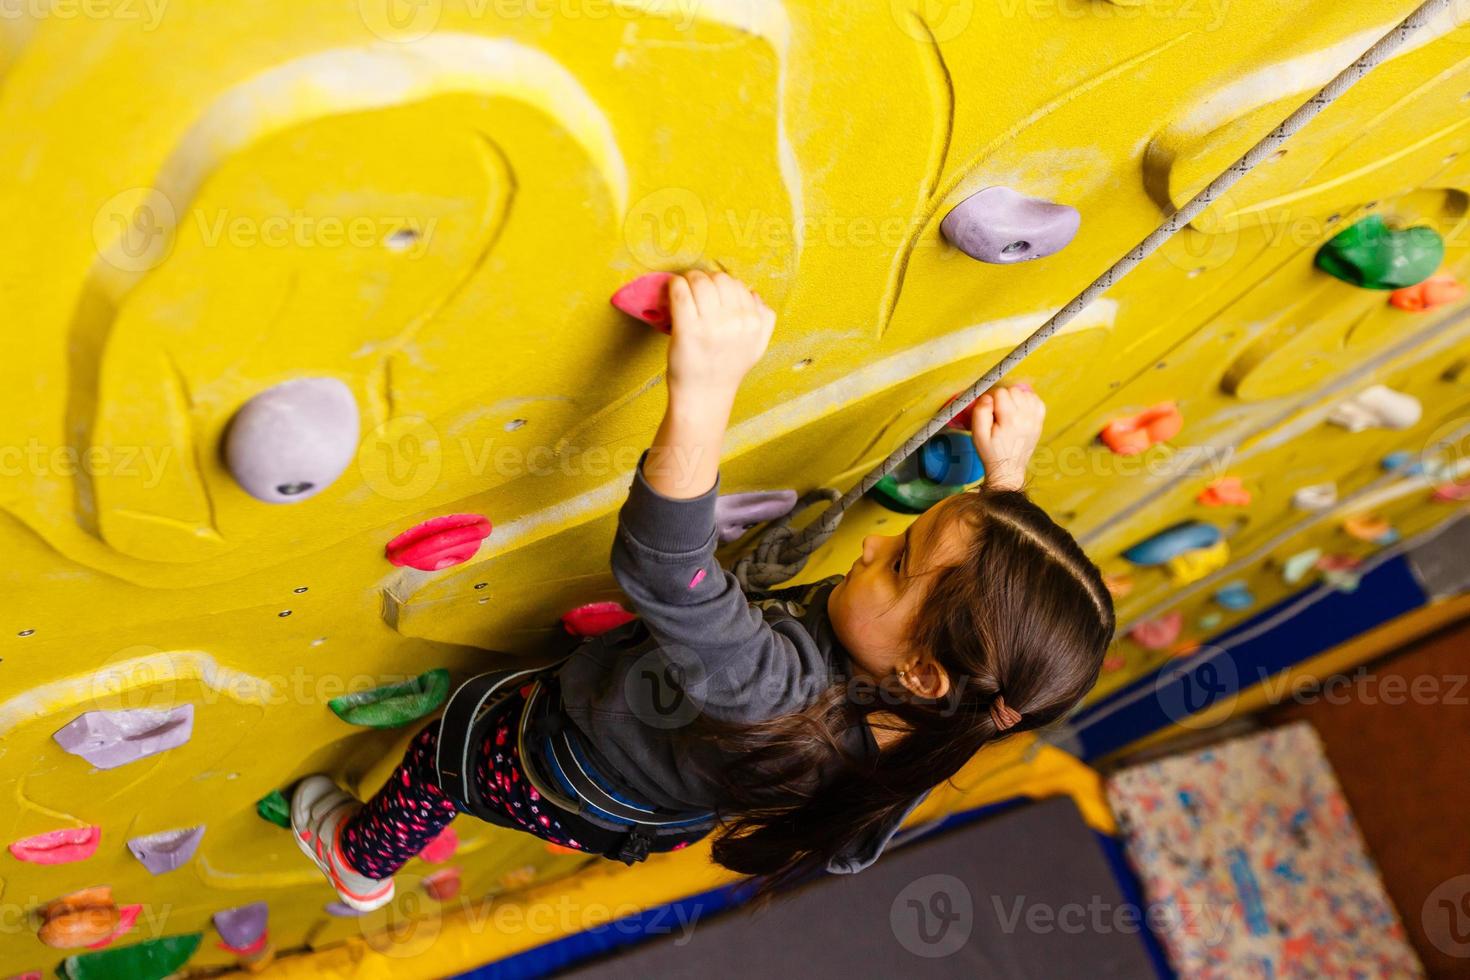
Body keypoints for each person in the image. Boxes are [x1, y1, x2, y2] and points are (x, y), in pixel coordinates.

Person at [290, 271, 1114, 910]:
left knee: (451, 747)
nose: (874, 540)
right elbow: (970, 634)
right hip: (660, 794)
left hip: (563, 769)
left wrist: (707, 390)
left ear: (925, 671)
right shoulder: (945, 719)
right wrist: (1004, 481)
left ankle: (361, 862)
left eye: (898, 562)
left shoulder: (782, 700)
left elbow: (666, 572)